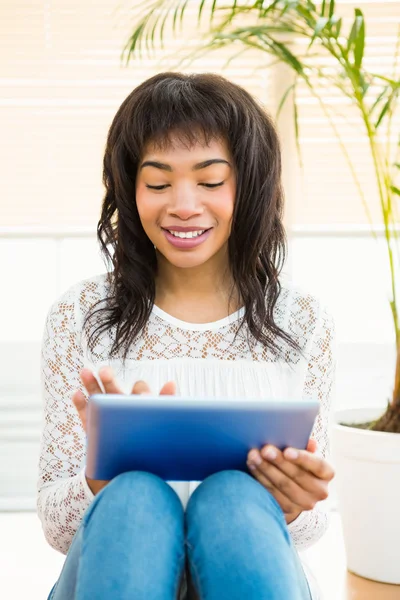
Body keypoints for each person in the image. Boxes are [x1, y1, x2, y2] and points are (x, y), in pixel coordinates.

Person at [37, 72, 336, 600]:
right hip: (114, 565)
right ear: (130, 189)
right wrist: (101, 486)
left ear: (250, 184)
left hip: (248, 564)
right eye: (157, 182)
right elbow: (58, 527)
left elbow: (314, 525)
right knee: (134, 499)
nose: (182, 204)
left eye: (210, 180)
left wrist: (287, 504)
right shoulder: (81, 315)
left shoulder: (301, 320)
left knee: (234, 500)